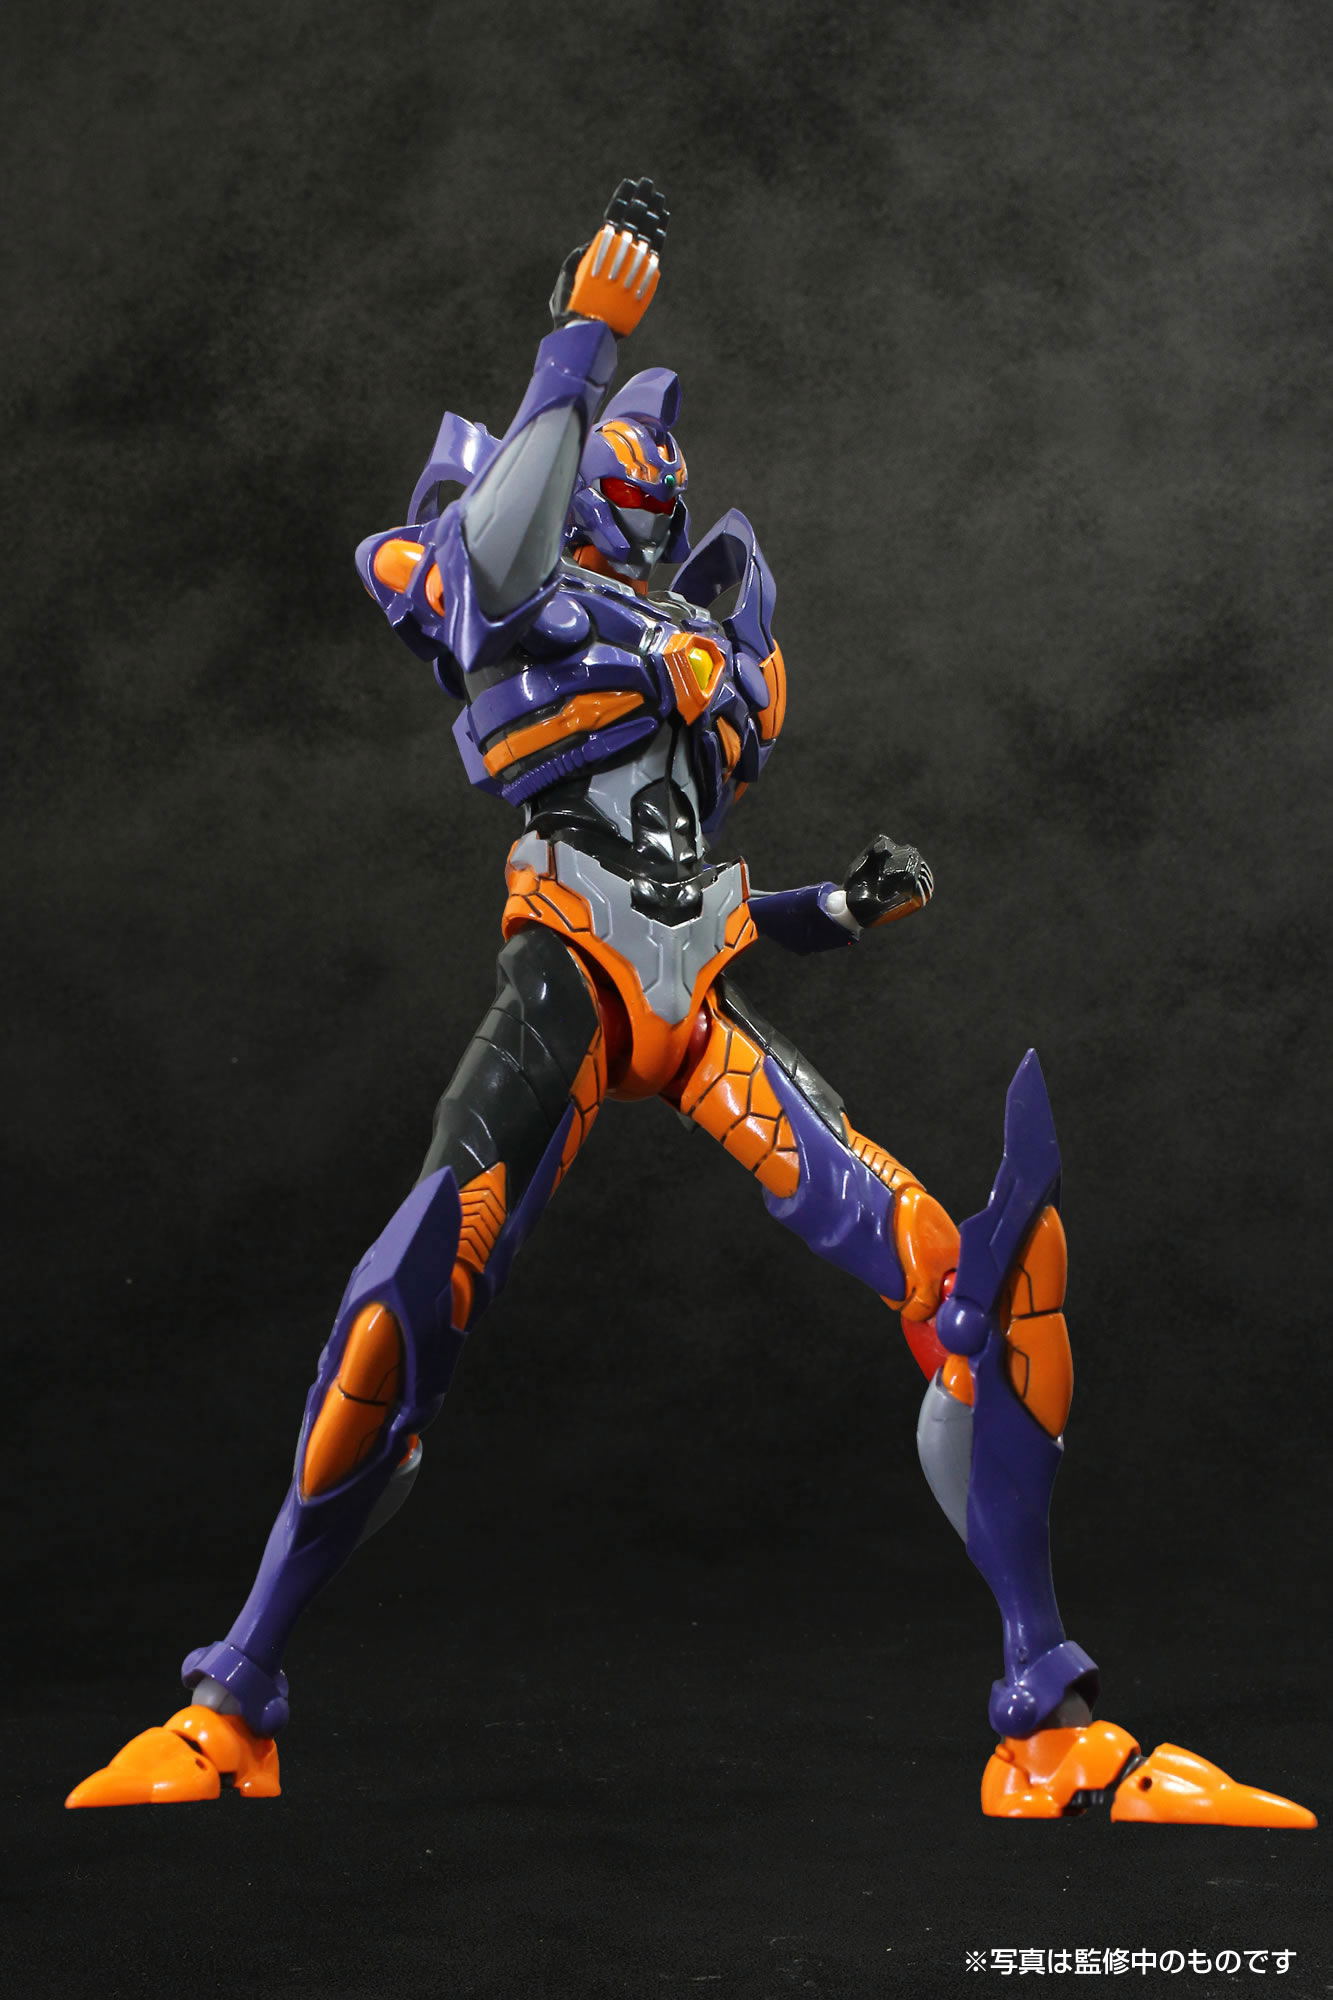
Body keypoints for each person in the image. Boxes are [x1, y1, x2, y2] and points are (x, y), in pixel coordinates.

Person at [68, 180, 1314, 1826]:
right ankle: (233, 1703)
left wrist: (836, 911)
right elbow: (491, 564)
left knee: (979, 1293)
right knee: (397, 1318)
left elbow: (702, 886)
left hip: (699, 1005)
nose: (649, 503)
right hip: (569, 983)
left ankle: (1045, 1723)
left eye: (658, 487)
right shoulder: (504, 578)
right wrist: (578, 343)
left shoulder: (701, 644)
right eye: (622, 475)